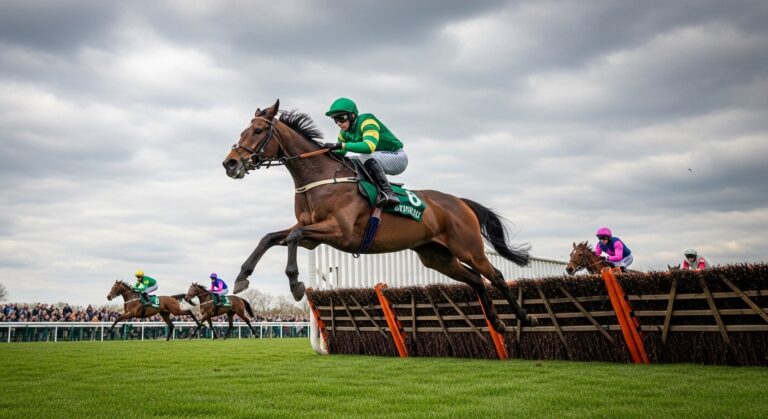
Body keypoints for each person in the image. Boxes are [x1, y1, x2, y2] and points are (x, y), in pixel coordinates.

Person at [323, 97, 408, 207]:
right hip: (377, 158)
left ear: (352, 115)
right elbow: (341, 154)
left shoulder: (367, 121)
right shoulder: (344, 132)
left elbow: (369, 146)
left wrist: (342, 145)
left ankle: (389, 193)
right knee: (351, 161)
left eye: (341, 118)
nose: (339, 123)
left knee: (364, 157)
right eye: (335, 120)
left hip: (398, 158)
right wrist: (325, 152)